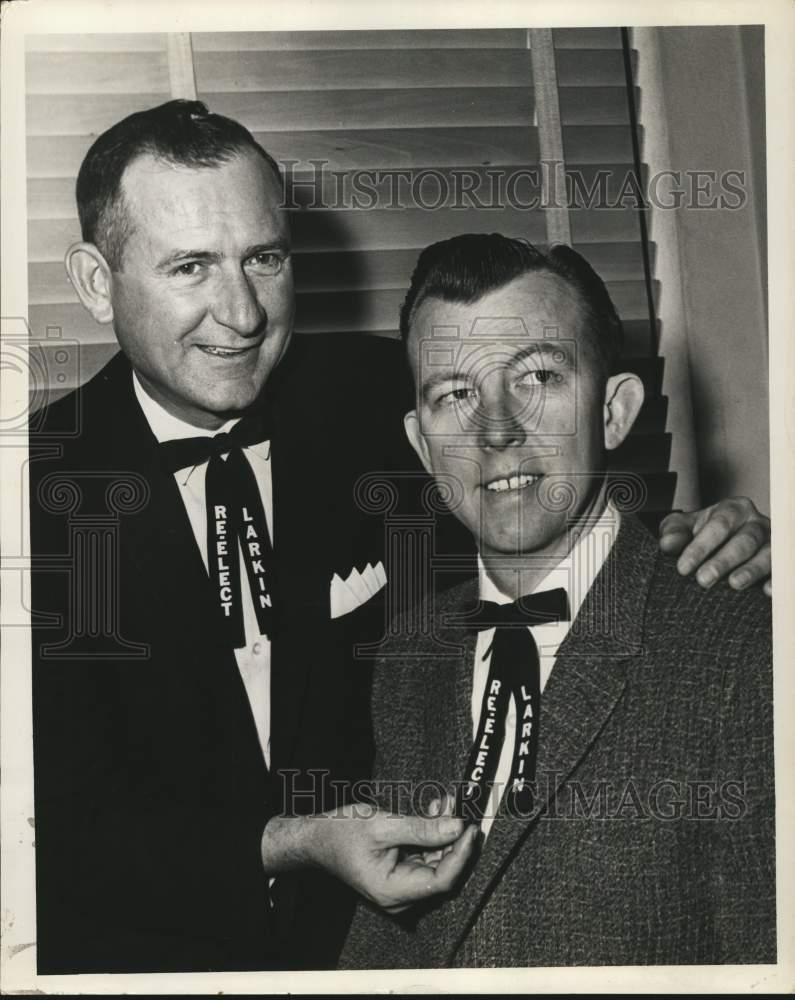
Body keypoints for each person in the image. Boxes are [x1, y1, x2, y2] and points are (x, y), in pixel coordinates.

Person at [28, 102, 772, 975]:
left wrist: (707, 541)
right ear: (93, 280)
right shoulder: (25, 495)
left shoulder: (382, 398)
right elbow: (47, 826)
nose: (241, 314)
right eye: (190, 266)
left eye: (263, 259)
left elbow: (533, 487)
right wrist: (290, 841)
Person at [340, 234, 775, 968]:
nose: (496, 430)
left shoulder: (744, 644)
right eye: (454, 394)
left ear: (612, 411)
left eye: (537, 376)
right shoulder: (407, 652)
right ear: (421, 444)